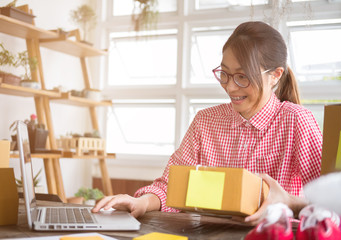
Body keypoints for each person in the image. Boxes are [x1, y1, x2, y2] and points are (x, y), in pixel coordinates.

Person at [92, 21, 322, 224]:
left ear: (275, 75)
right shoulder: (206, 121)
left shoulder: (296, 121)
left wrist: (287, 202)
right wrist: (141, 202)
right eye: (225, 73)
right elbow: (170, 187)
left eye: (243, 77)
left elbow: (333, 201)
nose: (230, 87)